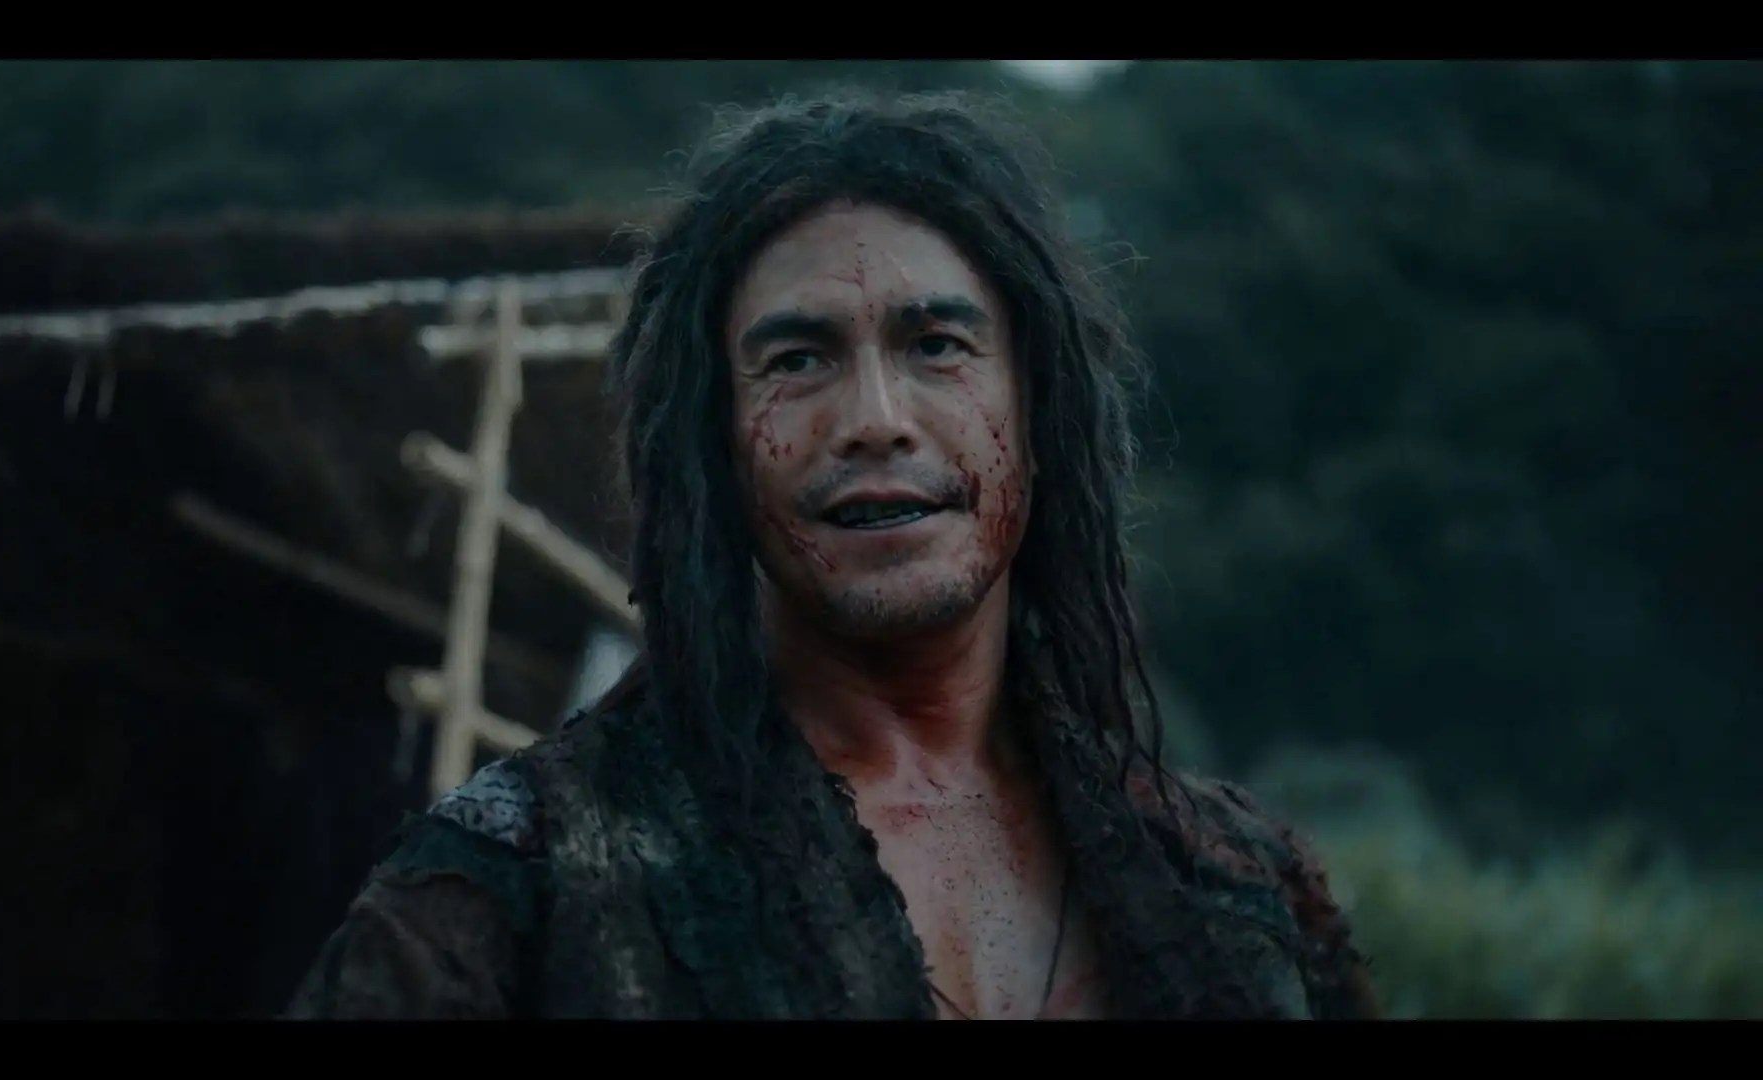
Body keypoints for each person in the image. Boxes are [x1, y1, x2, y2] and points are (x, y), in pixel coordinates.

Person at [286, 88, 1380, 1020]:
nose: (875, 420)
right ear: (716, 444)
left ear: (1037, 406)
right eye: (799, 360)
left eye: (937, 345)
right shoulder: (523, 887)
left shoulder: (1236, 894)